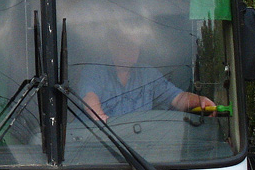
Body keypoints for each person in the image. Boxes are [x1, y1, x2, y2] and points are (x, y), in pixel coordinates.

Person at [79, 29, 216, 121]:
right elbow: (90, 99)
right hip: (101, 146)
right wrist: (103, 122)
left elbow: (178, 98)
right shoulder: (95, 71)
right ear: (112, 45)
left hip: (142, 149)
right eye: (127, 44)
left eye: (136, 45)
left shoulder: (148, 74)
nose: (132, 50)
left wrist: (200, 101)